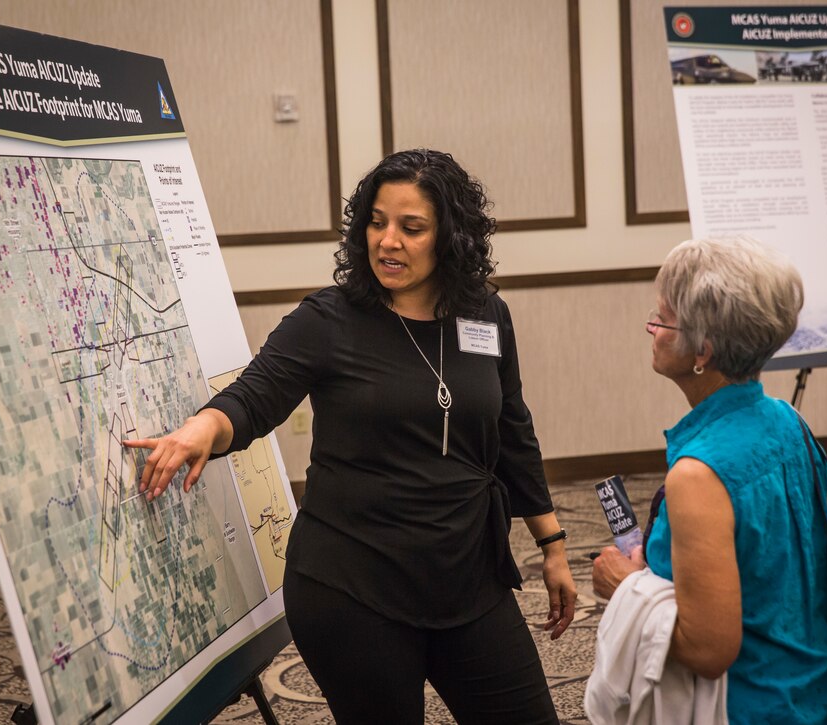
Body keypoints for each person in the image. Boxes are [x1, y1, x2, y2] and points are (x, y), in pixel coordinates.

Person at [125, 149, 576, 724]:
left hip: (468, 576)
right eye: (377, 221)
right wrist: (201, 429)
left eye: (412, 228)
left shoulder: (485, 313)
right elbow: (254, 395)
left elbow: (513, 428)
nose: (388, 241)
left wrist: (554, 544)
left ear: (451, 238)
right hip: (354, 590)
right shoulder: (329, 321)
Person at [588, 237, 827, 724]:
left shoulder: (698, 475)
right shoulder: (791, 422)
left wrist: (627, 586)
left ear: (702, 350)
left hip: (745, 707)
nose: (651, 328)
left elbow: (709, 651)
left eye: (662, 319)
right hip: (816, 690)